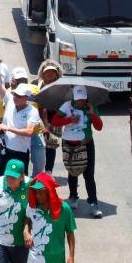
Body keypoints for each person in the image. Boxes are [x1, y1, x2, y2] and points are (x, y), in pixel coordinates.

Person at [46, 86, 104, 218]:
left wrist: (92, 113)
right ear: (73, 98)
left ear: (86, 98)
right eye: (78, 100)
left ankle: (93, 203)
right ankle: (73, 197)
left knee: (89, 174)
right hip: (69, 144)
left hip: (86, 143)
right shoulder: (66, 106)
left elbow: (99, 127)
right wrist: (69, 120)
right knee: (72, 171)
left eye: (83, 100)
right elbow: (55, 121)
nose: (80, 103)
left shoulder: (90, 107)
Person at [0, 83, 39, 172]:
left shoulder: (33, 111)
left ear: (26, 98)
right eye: (15, 94)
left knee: (20, 181)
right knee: (1, 178)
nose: (15, 97)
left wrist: (8, 128)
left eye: (19, 96)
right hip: (4, 148)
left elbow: (29, 132)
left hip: (20, 152)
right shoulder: (10, 101)